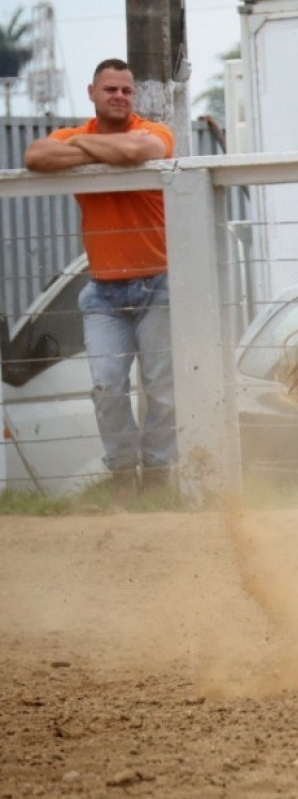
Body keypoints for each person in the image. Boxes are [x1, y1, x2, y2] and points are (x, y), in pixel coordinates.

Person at [24, 59, 177, 498]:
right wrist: (99, 147)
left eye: (127, 91)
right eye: (111, 90)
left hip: (158, 283)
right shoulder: (82, 133)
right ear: (92, 92)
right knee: (106, 386)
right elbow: (35, 156)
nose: (120, 97)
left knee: (162, 389)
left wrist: (84, 150)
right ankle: (124, 477)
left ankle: (160, 480)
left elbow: (137, 152)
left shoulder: (155, 131)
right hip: (104, 289)